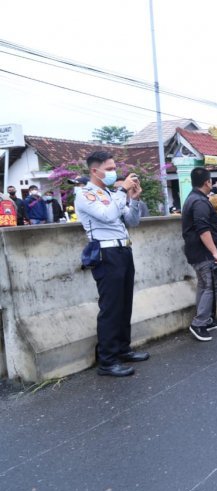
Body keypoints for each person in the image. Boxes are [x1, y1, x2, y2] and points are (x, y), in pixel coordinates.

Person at [75, 151, 149, 377]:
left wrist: (134, 199)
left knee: (125, 303)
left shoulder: (110, 193)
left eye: (113, 168)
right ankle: (107, 360)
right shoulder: (85, 194)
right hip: (105, 253)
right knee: (111, 307)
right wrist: (123, 190)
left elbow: (132, 221)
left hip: (123, 249)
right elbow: (107, 216)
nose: (113, 172)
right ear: (94, 171)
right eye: (108, 169)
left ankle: (122, 348)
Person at [181, 167, 217, 342]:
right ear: (207, 182)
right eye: (211, 181)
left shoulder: (194, 198)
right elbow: (203, 230)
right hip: (204, 253)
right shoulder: (199, 202)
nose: (213, 184)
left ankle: (206, 318)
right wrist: (215, 252)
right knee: (211, 285)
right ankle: (199, 323)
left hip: (198, 252)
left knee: (205, 284)